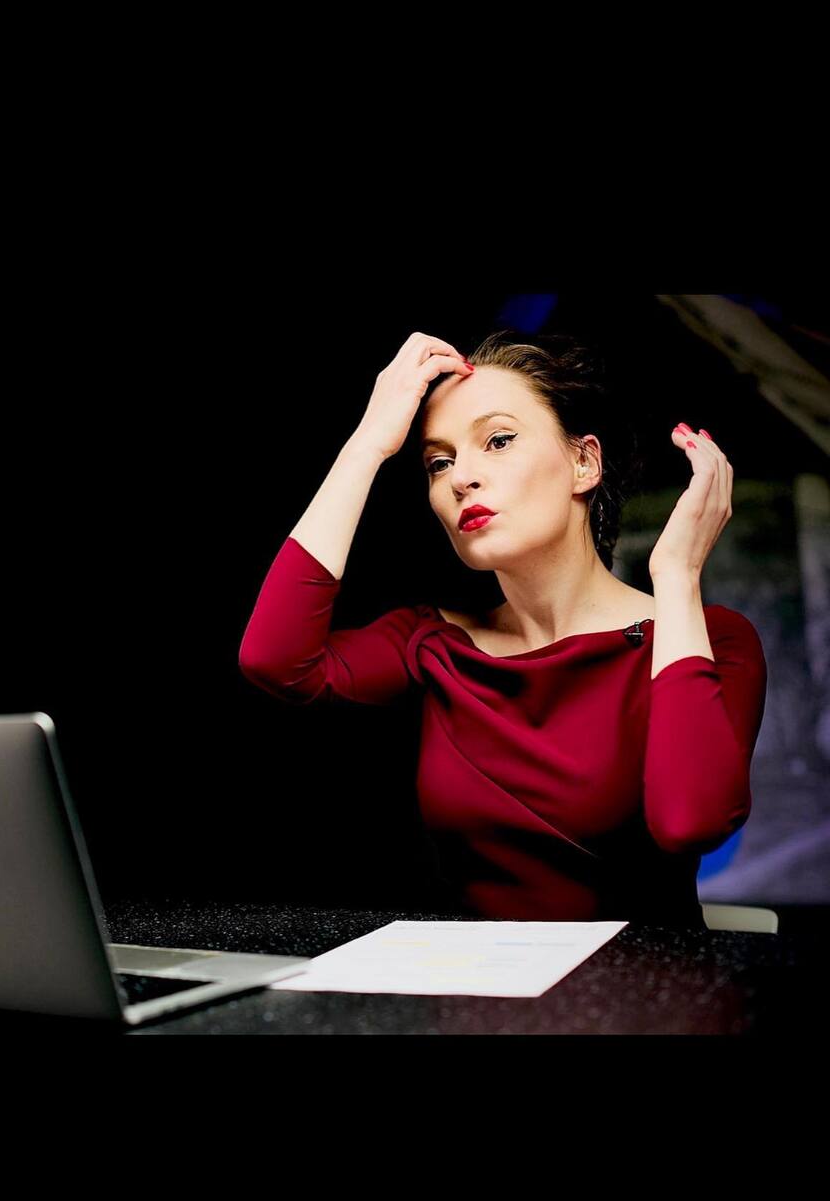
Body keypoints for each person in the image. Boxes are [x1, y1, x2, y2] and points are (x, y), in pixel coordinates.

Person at [237, 329, 768, 927]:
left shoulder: (711, 639)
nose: (461, 477)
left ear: (583, 462)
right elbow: (275, 661)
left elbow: (689, 822)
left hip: (645, 982)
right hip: (472, 980)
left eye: (498, 440)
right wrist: (367, 445)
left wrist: (677, 578)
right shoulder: (434, 642)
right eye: (439, 462)